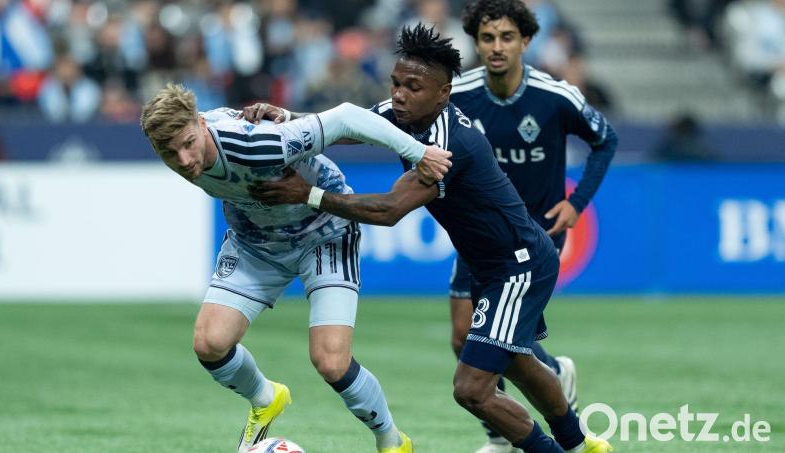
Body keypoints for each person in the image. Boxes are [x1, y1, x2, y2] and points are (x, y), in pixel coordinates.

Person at [249, 24, 613, 453]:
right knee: (515, 359)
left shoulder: (446, 146)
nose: (400, 94)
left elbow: (387, 210)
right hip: (492, 263)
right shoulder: (408, 113)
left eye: (413, 87)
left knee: (471, 389)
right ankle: (581, 445)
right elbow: (354, 125)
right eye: (396, 83)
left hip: (519, 264)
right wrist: (290, 120)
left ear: (443, 94)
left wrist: (307, 194)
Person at [139, 84, 451, 453]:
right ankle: (266, 397)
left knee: (331, 362)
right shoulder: (188, 146)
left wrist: (419, 153)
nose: (185, 160)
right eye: (169, 153)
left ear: (200, 122)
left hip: (324, 232)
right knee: (210, 343)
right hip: (256, 242)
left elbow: (348, 117)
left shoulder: (256, 143)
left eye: (189, 143)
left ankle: (392, 442)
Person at [450, 2, 619, 451]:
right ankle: (523, 408)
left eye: (507, 37)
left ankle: (531, 428)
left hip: (534, 237)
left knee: (501, 340)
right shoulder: (458, 93)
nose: (497, 47)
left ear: (526, 41)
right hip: (479, 235)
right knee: (464, 337)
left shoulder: (554, 95)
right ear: (476, 42)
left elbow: (606, 139)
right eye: (488, 38)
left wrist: (576, 203)